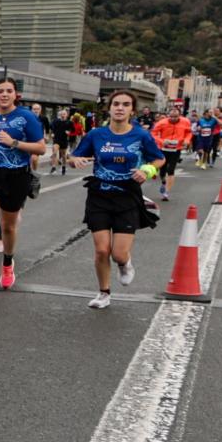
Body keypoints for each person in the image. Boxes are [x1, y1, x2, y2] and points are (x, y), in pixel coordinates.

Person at [70, 90, 164, 309]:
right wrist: (76, 161)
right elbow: (74, 156)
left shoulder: (141, 135)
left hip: (127, 196)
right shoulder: (96, 135)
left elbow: (159, 159)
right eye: (116, 104)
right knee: (102, 250)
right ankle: (104, 293)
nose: (120, 108)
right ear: (109, 108)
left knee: (118, 254)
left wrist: (147, 169)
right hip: (99, 195)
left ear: (132, 110)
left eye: (125, 104)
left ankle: (125, 263)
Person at [0, 77, 47, 294]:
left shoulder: (26, 117)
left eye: (8, 91)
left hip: (16, 174)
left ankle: (7, 264)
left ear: (15, 95)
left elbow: (41, 148)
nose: (4, 94)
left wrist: (15, 143)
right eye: (0, 91)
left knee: (8, 227)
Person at [150, 103, 193, 201]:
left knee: (171, 169)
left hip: (176, 149)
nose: (173, 118)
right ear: (168, 115)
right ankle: (163, 182)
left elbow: (188, 132)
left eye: (176, 117)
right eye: (171, 116)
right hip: (163, 148)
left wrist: (186, 141)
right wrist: (161, 141)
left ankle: (166, 192)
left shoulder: (185, 122)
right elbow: (153, 134)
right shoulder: (161, 122)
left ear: (180, 116)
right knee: (163, 170)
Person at [49, 106, 74, 174]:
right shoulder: (56, 121)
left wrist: (69, 132)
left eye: (64, 114)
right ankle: (53, 167)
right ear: (60, 115)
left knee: (63, 155)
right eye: (62, 114)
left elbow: (73, 130)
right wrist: (52, 133)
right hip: (56, 139)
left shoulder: (69, 122)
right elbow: (51, 127)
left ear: (67, 115)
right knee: (54, 152)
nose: (63, 115)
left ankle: (64, 166)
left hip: (64, 140)